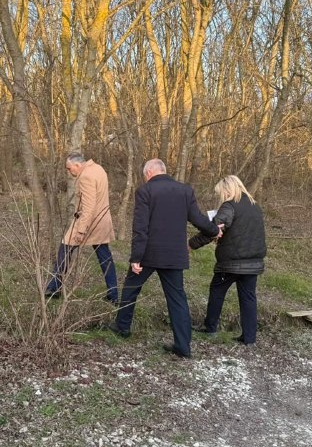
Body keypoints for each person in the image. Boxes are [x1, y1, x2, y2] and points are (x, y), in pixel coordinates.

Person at [109, 159, 220, 358]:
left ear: (149, 172)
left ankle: (122, 327)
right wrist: (214, 230)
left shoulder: (145, 191)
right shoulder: (185, 190)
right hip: (174, 255)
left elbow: (140, 228)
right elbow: (198, 218)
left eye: (145, 175)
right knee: (177, 299)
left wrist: (136, 257)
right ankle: (183, 346)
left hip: (149, 254)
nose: (145, 178)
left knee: (130, 289)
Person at [189, 175, 266, 345]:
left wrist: (191, 244)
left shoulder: (229, 206)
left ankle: (210, 327)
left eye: (221, 193)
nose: (220, 197)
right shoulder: (255, 207)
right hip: (253, 262)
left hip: (231, 262)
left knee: (217, 291)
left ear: (227, 190)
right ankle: (249, 338)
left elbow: (213, 229)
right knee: (248, 298)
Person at [45, 153, 118, 304]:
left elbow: (89, 207)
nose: (69, 172)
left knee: (64, 249)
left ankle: (54, 289)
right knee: (105, 257)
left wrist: (80, 230)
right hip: (102, 220)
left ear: (78, 165)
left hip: (89, 222)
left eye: (69, 168)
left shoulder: (86, 177)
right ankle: (114, 294)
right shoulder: (98, 168)